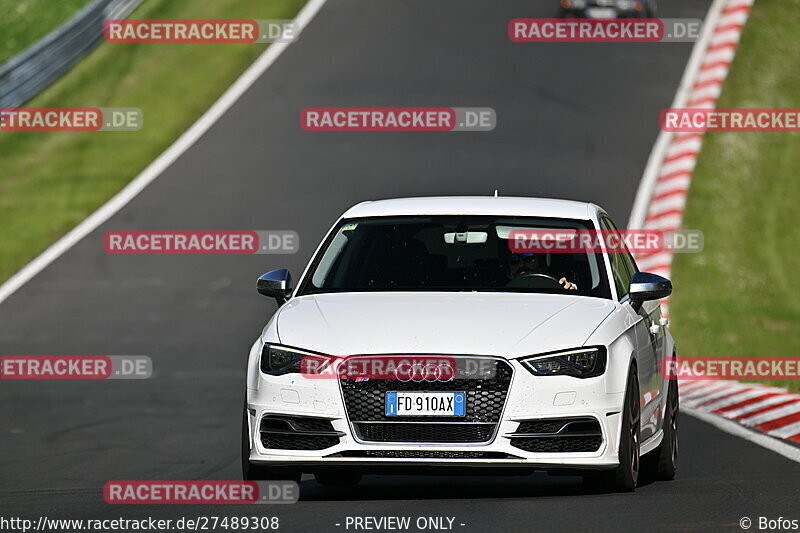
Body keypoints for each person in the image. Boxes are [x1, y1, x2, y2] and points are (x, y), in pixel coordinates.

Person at [508, 253, 578, 290]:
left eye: (528, 257)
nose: (520, 264)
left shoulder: (554, 290)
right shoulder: (498, 294)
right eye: (514, 259)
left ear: (540, 261)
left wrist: (570, 292)